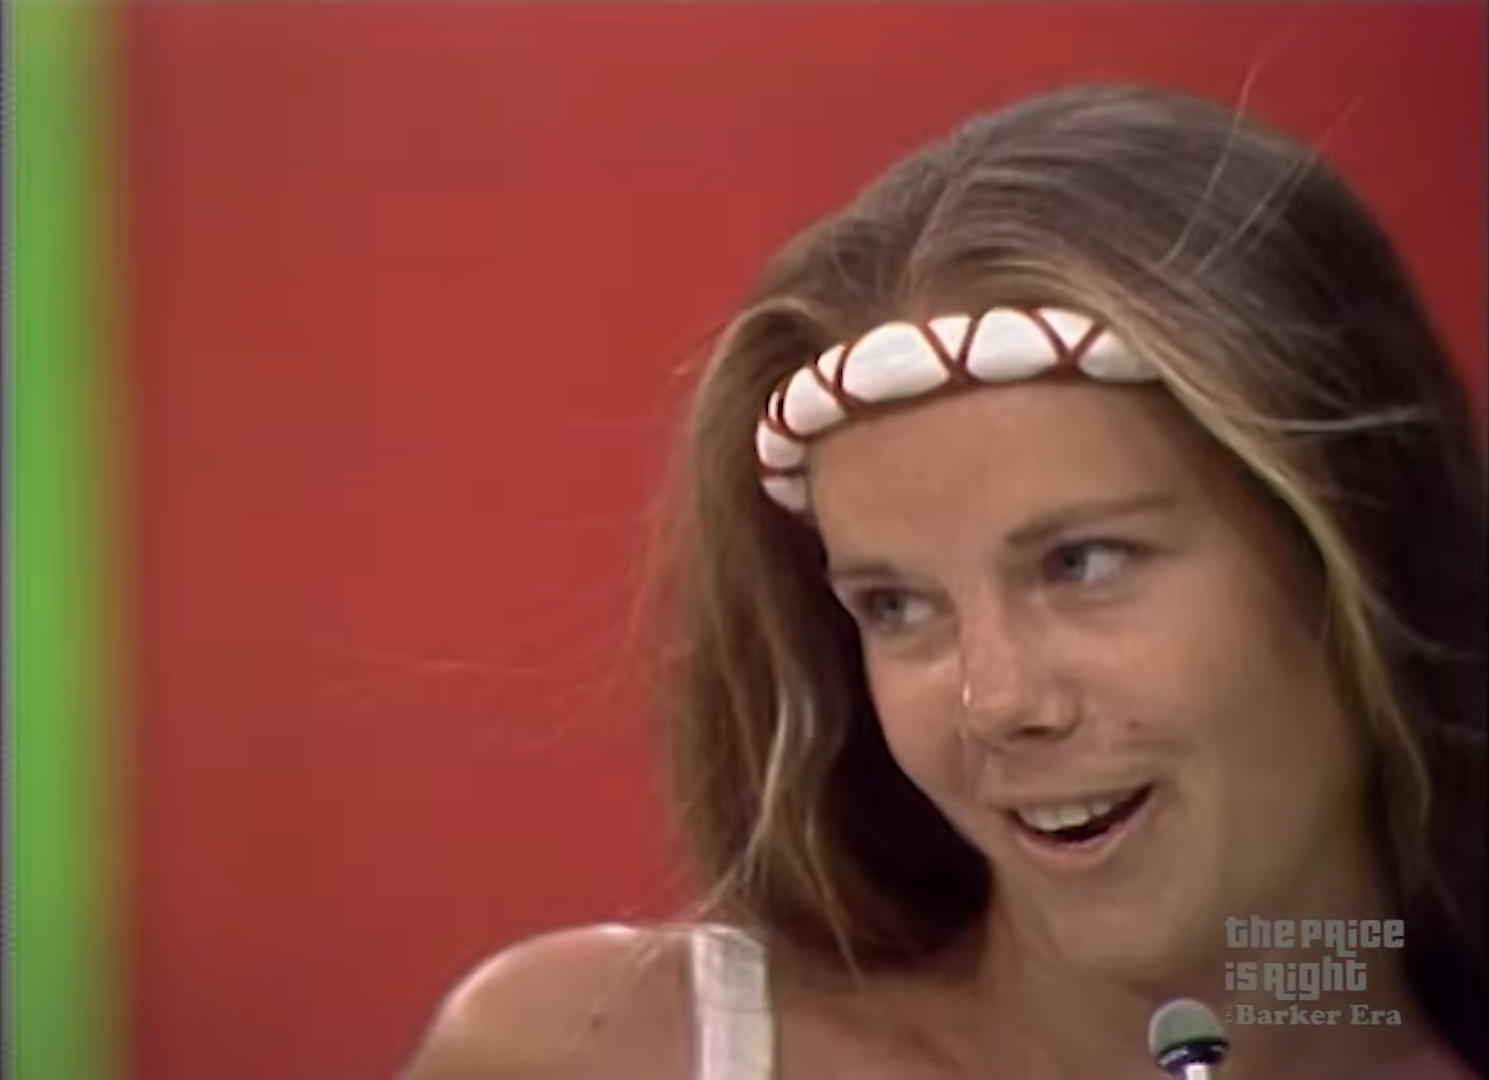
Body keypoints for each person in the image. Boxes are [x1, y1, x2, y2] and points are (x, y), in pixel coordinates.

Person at [403, 83, 1485, 1080]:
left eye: (1082, 562)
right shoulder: (587, 1054)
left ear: (1360, 554)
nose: (996, 702)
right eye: (897, 607)